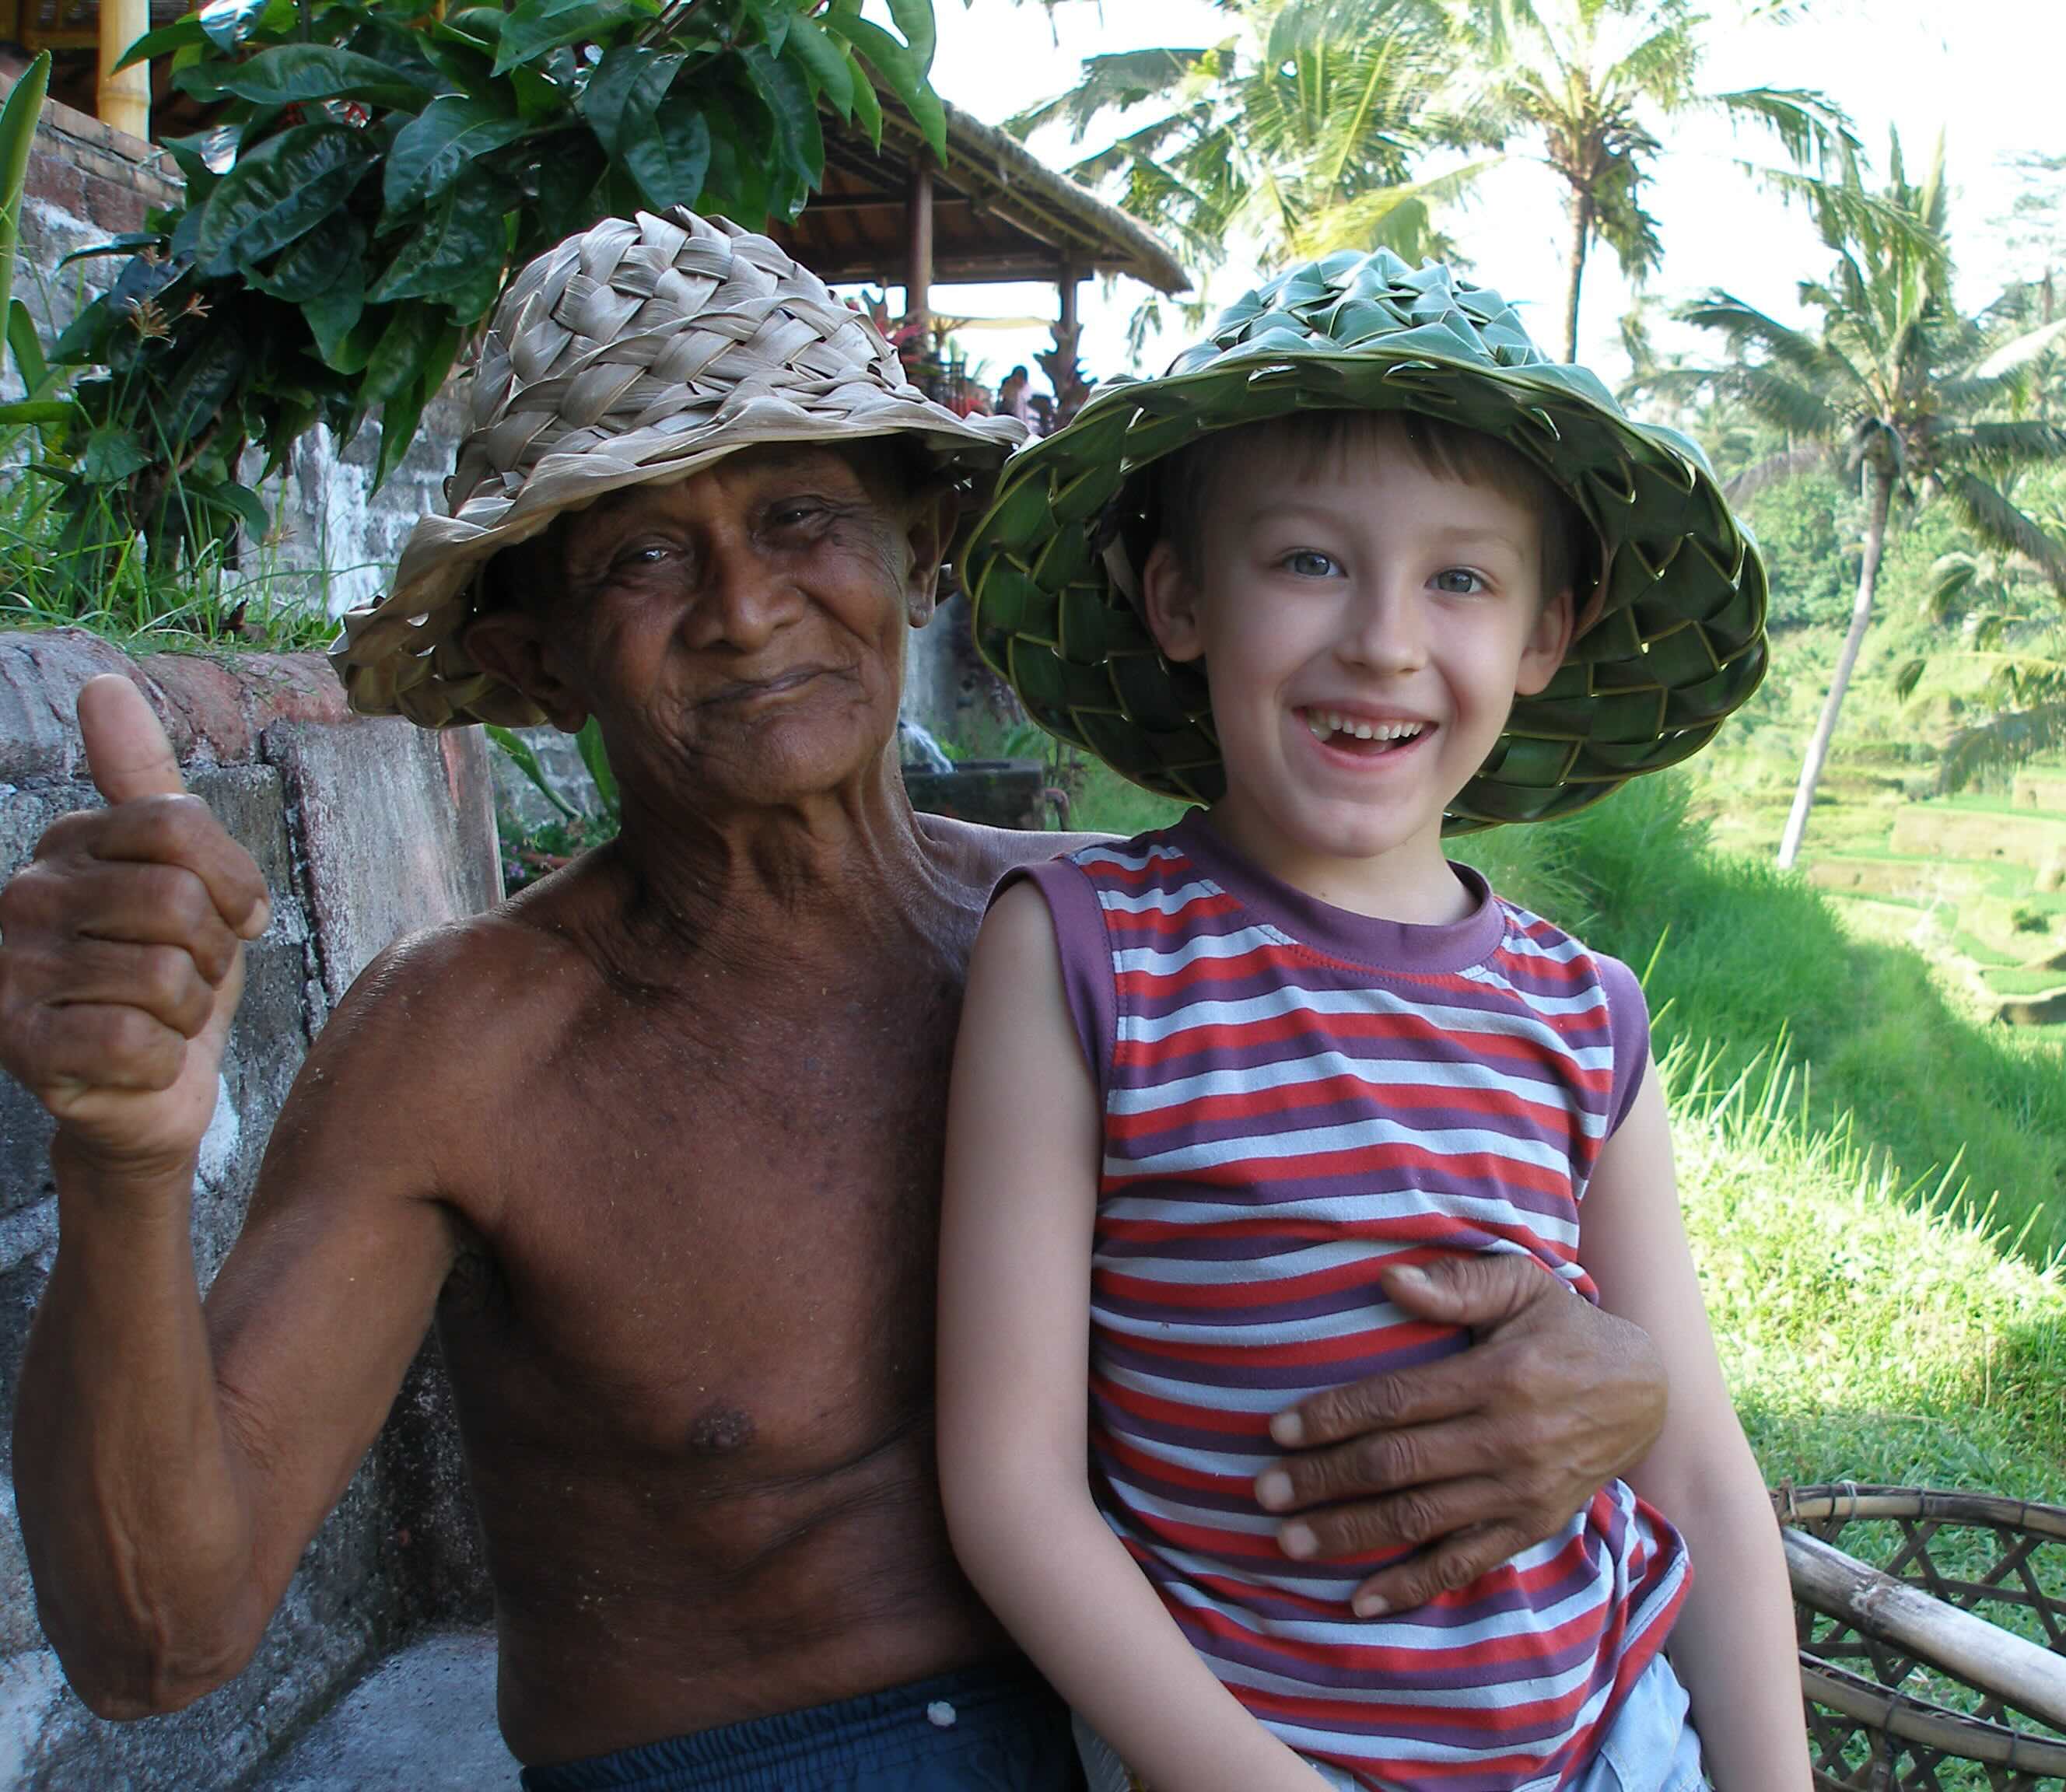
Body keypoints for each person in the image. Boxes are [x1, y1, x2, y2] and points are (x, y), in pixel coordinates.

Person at [0, 212, 1676, 1791]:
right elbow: (156, 1644)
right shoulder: (466, 1050)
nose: (745, 610)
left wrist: (1620, 1388)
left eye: (802, 519)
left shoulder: (1127, 952)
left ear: (919, 552)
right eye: (644, 556)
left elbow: (1485, 1186)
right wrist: (126, 1168)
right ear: (536, 661)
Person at [938, 251, 1803, 1792]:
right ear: (1179, 596)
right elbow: (1011, 1489)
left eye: (1461, 580)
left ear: (1545, 636)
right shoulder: (1082, 956)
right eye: (1308, 561)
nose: (1386, 642)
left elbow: (1695, 1466)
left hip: (1614, 1748)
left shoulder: (1587, 1013)